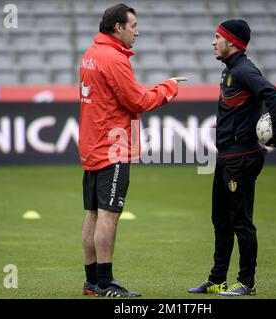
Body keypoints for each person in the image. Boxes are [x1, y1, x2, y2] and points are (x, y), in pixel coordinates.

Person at [79, 3, 186, 298]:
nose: (138, 32)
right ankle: (105, 283)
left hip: (92, 145)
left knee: (92, 214)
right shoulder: (113, 58)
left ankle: (92, 282)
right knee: (108, 215)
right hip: (111, 147)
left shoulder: (91, 53)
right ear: (118, 28)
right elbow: (138, 101)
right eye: (133, 26)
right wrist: (169, 87)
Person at [188, 19, 276, 296]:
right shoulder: (229, 70)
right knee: (220, 221)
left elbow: (274, 95)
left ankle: (247, 282)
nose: (213, 42)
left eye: (217, 37)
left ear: (231, 42)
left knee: (241, 222)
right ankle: (217, 280)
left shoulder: (244, 70)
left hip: (243, 158)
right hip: (226, 158)